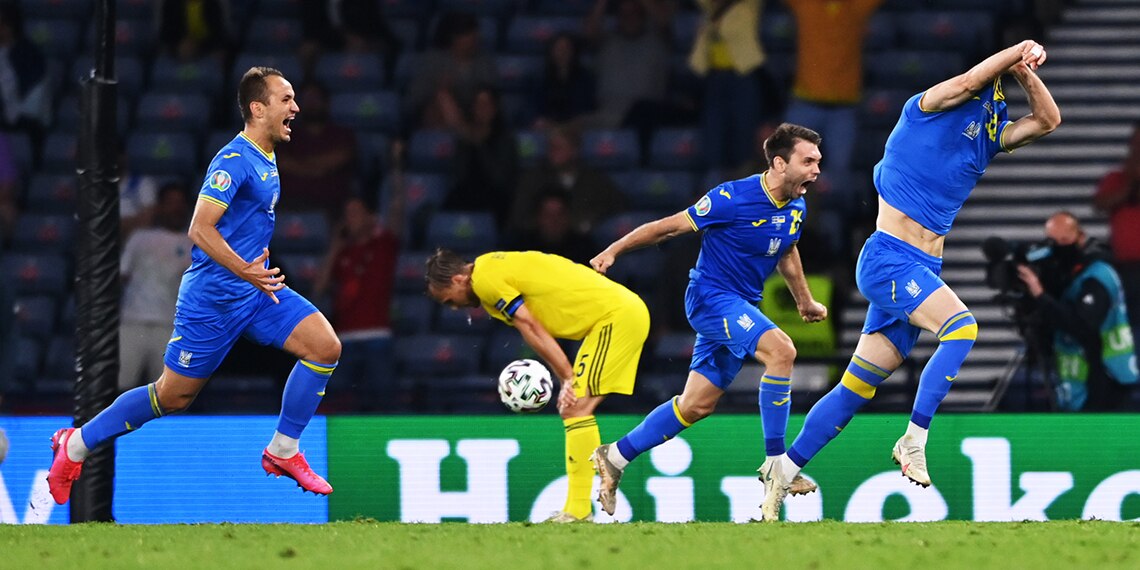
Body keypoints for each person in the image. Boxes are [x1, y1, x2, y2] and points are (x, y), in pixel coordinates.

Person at [761, 41, 1061, 520]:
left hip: (921, 269)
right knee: (962, 329)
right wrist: (1018, 51)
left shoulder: (986, 136)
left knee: (854, 389)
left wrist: (1025, 74)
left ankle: (780, 470)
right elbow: (967, 82)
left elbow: (1047, 121)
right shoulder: (924, 108)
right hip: (890, 260)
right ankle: (914, 439)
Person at [47, 67, 343, 504]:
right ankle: (74, 446)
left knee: (325, 347)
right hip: (213, 299)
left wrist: (251, 267)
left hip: (254, 292)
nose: (296, 108)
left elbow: (242, 225)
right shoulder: (233, 160)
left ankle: (284, 449)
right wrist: (245, 268)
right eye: (286, 100)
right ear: (258, 109)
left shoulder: (266, 156)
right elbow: (199, 228)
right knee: (173, 397)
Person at [588, 123, 829, 517]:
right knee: (782, 351)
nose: (818, 169)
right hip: (710, 299)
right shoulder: (732, 198)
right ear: (780, 163)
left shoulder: (797, 205)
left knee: (696, 405)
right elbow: (667, 228)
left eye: (818, 161)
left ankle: (615, 456)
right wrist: (614, 250)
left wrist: (804, 300)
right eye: (809, 161)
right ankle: (777, 466)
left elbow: (786, 249)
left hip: (741, 305)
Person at [426, 248, 651, 523]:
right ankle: (578, 507)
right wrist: (563, 377)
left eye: (450, 299)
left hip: (616, 317)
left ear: (459, 279)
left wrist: (568, 377)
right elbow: (530, 332)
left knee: (576, 408)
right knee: (574, 408)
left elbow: (531, 324)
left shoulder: (485, 279)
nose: (454, 307)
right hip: (611, 319)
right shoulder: (489, 275)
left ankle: (582, 506)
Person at [1016, 212, 1137, 411]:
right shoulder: (1066, 272)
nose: (1059, 247)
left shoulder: (1098, 274)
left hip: (1107, 373)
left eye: (1064, 240)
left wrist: (1040, 293)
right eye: (1053, 241)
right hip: (1079, 371)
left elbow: (1082, 326)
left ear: (1080, 236)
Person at [313, 194, 401, 410]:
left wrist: (397, 169)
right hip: (344, 339)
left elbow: (398, 213)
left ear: (370, 218)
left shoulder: (383, 245)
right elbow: (317, 291)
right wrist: (335, 245)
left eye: (356, 213)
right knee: (338, 401)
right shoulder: (341, 253)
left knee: (383, 400)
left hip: (378, 335)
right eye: (347, 214)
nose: (350, 218)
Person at [119, 182, 193, 391]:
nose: (175, 208)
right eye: (170, 202)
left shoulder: (196, 242)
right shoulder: (139, 238)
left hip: (172, 327)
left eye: (180, 203)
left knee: (169, 392)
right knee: (119, 386)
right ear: (160, 206)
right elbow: (122, 276)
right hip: (131, 322)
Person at [688, 0, 770, 171]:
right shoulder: (709, 5)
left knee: (743, 138)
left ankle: (742, 185)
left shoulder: (748, 4)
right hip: (714, 76)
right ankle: (714, 188)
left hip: (743, 74)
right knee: (713, 138)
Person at [509, 125, 623, 237]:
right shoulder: (533, 179)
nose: (553, 152)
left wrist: (590, 219)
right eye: (551, 147)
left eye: (559, 148)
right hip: (539, 242)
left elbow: (618, 203)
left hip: (579, 241)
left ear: (575, 150)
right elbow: (519, 215)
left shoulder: (593, 179)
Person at [276, 81, 358, 220]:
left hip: (332, 204)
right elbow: (281, 162)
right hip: (290, 203)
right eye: (308, 99)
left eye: (316, 99)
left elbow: (340, 157)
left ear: (326, 102)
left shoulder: (342, 134)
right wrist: (318, 167)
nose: (312, 104)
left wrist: (300, 165)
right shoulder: (286, 134)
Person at [403, 12, 497, 130]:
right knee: (440, 101)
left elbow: (491, 94)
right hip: (435, 114)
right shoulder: (432, 61)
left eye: (475, 33)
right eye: (467, 33)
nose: (474, 38)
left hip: (472, 114)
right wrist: (441, 89)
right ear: (453, 37)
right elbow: (415, 98)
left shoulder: (485, 62)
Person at [1093, 121, 1140, 353]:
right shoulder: (1117, 179)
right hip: (1124, 269)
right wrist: (1131, 181)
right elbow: (1100, 204)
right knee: (1125, 325)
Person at [440, 86, 518, 225]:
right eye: (478, 104)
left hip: (495, 199)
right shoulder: (464, 139)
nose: (481, 109)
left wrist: (480, 145)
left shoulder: (506, 140)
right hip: (465, 196)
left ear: (495, 108)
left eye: (486, 104)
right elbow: (457, 176)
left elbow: (500, 178)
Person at [505, 190, 599, 266]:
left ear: (568, 216)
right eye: (548, 215)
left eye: (559, 214)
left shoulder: (584, 248)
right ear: (538, 217)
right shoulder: (521, 247)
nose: (554, 220)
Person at [534, 32, 597, 127]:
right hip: (546, 127)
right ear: (551, 52)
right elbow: (532, 107)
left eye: (567, 49)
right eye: (559, 49)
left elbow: (586, 108)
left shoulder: (585, 78)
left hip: (576, 127)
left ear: (573, 52)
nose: (563, 53)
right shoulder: (538, 78)